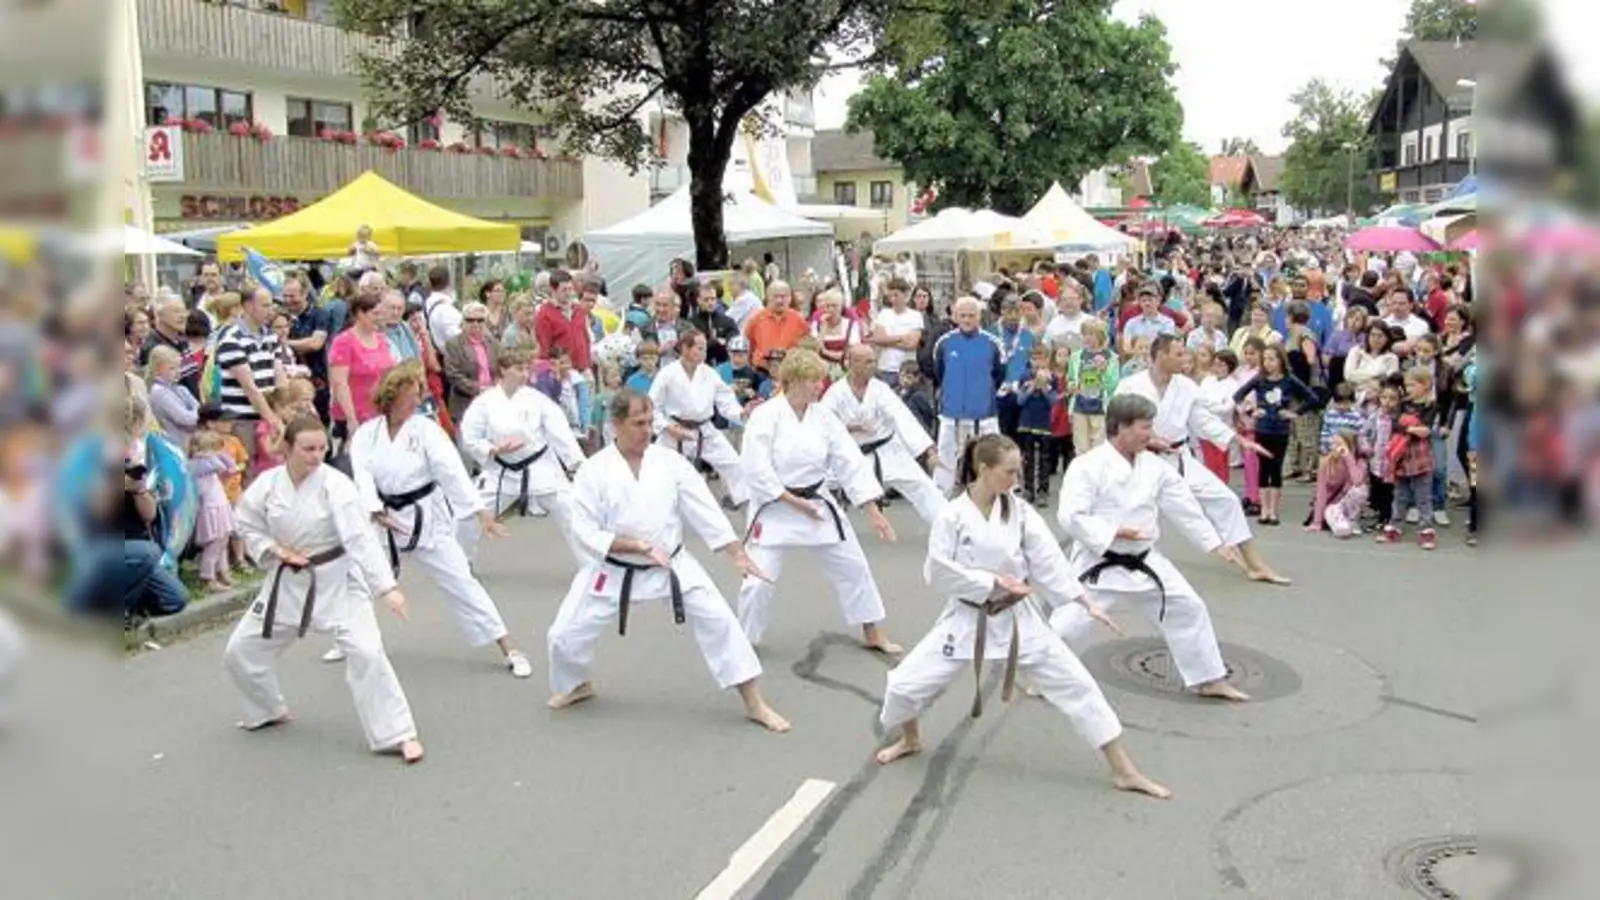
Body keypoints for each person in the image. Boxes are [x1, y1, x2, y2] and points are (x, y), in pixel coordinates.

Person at [873, 434, 1168, 798]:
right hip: (967, 619)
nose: (1016, 480)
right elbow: (937, 572)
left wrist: (1083, 600)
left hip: (1019, 621)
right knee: (904, 684)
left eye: (1019, 471)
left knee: (1079, 687)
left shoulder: (1019, 511)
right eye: (1010, 472)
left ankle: (1124, 770)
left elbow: (1048, 560)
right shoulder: (952, 515)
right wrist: (991, 580)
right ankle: (910, 738)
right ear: (984, 469)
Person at [545, 389, 790, 732]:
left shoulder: (669, 462)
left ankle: (754, 702)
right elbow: (583, 529)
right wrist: (633, 545)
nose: (647, 430)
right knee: (563, 635)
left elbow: (703, 509)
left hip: (671, 564)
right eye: (638, 423)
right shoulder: (593, 471)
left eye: (650, 422)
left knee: (721, 622)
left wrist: (736, 552)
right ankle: (576, 684)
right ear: (616, 424)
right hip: (614, 567)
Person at [223, 416, 424, 764]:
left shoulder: (337, 486)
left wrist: (386, 587)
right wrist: (273, 549)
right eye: (308, 448)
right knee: (240, 651)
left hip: (338, 581)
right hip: (287, 583)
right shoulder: (268, 484)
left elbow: (360, 539)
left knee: (368, 651)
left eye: (321, 448)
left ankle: (397, 733)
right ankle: (267, 708)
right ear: (287, 447)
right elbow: (245, 521)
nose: (317, 455)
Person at [1052, 394, 1250, 702]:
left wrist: (1214, 542)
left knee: (1188, 607)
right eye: (1145, 427)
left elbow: (1182, 503)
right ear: (1121, 428)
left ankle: (1208, 678)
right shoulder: (1087, 466)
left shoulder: (1153, 467)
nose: (1151, 434)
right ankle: (1041, 674)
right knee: (1068, 624)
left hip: (1144, 560)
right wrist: (1114, 531)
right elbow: (1070, 515)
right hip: (1099, 561)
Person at [343, 362, 533, 677]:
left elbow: (451, 472)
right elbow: (361, 476)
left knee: (461, 581)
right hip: (384, 517)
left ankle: (509, 647)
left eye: (418, 394)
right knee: (357, 577)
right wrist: (375, 510)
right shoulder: (367, 434)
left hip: (427, 516)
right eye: (410, 395)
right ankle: (348, 638)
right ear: (392, 396)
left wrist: (479, 511)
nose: (416, 401)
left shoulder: (426, 430)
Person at [736, 349, 902, 654]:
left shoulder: (823, 417)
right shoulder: (766, 416)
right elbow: (755, 468)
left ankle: (873, 631)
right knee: (757, 581)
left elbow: (849, 461)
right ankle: (744, 641)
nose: (820, 386)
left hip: (817, 503)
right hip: (775, 508)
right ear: (795, 380)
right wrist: (791, 501)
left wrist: (873, 511)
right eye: (814, 380)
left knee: (854, 567)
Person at [1115, 335, 1289, 585]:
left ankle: (1254, 563)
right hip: (1142, 462)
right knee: (1139, 516)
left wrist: (1237, 439)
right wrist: (1149, 439)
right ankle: (1124, 564)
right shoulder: (1131, 385)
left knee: (1226, 499)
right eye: (1178, 354)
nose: (1185, 359)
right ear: (1161, 355)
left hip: (1179, 457)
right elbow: (1118, 420)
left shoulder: (1185, 386)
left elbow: (1201, 420)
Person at [458, 347, 587, 561]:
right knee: (468, 516)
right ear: (502, 370)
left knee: (570, 513)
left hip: (540, 467)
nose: (525, 374)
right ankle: (462, 562)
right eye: (519, 369)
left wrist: (577, 465)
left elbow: (560, 434)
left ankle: (591, 565)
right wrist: (491, 448)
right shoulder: (484, 402)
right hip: (500, 471)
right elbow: (468, 436)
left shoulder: (538, 400)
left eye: (527, 369)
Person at [820, 344, 945, 525]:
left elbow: (901, 417)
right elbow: (823, 423)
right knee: (822, 486)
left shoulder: (880, 389)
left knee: (922, 486)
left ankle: (948, 526)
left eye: (874, 361)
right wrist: (848, 427)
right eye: (869, 362)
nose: (874, 365)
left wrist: (928, 451)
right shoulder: (836, 392)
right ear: (853, 363)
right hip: (851, 453)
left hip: (887, 449)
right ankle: (818, 528)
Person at [648, 327, 750, 508]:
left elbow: (725, 401)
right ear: (685, 348)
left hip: (704, 430)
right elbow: (652, 406)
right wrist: (666, 427)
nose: (704, 353)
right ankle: (655, 507)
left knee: (734, 464)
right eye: (699, 348)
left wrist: (741, 413)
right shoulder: (668, 373)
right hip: (675, 430)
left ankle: (745, 503)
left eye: (704, 348)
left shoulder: (709, 373)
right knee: (655, 468)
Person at [932, 297, 1006, 491]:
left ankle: (995, 496)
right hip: (951, 414)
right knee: (945, 462)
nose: (967, 320)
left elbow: (999, 374)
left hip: (984, 416)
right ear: (955, 316)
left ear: (979, 317)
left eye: (971, 315)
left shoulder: (992, 343)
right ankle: (942, 502)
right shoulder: (944, 343)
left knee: (992, 459)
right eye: (962, 315)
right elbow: (939, 372)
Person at [188, 430, 239, 593]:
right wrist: (209, 455)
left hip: (219, 505)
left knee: (223, 541)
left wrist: (221, 453)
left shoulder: (209, 462)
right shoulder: (197, 465)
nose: (215, 452)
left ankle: (222, 571)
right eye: (212, 448)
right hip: (210, 508)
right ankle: (207, 577)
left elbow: (231, 468)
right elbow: (220, 467)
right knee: (214, 544)